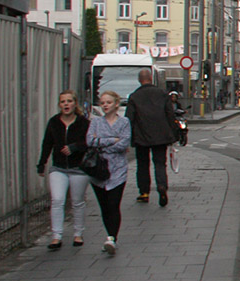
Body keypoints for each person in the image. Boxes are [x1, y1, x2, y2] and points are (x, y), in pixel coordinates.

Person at [35, 90, 90, 250]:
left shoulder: (83, 122)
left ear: (75, 103)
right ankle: (56, 236)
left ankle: (78, 233)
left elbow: (90, 142)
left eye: (69, 101)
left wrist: (75, 147)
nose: (66, 104)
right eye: (63, 102)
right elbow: (47, 143)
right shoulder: (54, 122)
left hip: (78, 168)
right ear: (59, 105)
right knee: (57, 200)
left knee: (77, 201)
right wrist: (42, 163)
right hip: (58, 167)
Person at [87, 90, 132, 255]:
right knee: (104, 206)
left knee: (114, 204)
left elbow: (124, 143)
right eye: (103, 103)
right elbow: (90, 141)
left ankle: (112, 238)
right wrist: (112, 140)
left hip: (117, 169)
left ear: (116, 104)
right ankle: (109, 234)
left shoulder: (124, 122)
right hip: (98, 169)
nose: (105, 105)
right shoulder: (96, 122)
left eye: (108, 102)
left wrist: (102, 143)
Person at [126, 68, 176, 206]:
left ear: (139, 80)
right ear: (151, 78)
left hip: (141, 136)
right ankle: (162, 186)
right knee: (160, 163)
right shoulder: (162, 94)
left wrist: (129, 137)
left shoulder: (134, 96)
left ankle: (144, 192)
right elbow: (170, 114)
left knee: (142, 164)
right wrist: (173, 134)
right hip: (161, 136)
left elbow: (129, 118)